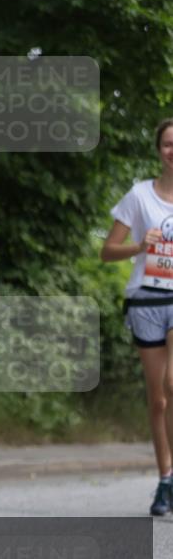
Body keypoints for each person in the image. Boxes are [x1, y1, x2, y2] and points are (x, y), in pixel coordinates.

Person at [100, 117, 173, 516]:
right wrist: (139, 246)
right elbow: (107, 251)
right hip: (145, 300)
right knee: (158, 399)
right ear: (159, 150)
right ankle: (165, 479)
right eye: (168, 144)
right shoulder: (139, 195)